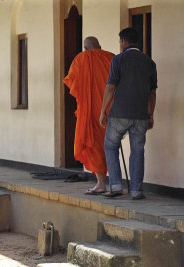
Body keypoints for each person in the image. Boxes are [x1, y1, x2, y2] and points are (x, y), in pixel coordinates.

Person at [99, 28, 157, 200]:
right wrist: (150, 114)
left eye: (120, 42)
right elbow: (152, 92)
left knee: (110, 146)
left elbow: (110, 87)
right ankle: (137, 190)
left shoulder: (118, 60)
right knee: (138, 151)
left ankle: (116, 186)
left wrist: (103, 111)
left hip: (119, 114)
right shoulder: (149, 62)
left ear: (124, 41)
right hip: (140, 115)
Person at [64, 37, 114, 194]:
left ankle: (101, 183)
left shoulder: (81, 59)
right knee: (111, 146)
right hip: (110, 111)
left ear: (85, 48)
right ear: (100, 46)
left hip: (91, 113)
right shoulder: (111, 57)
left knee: (94, 146)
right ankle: (116, 183)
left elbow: (72, 83)